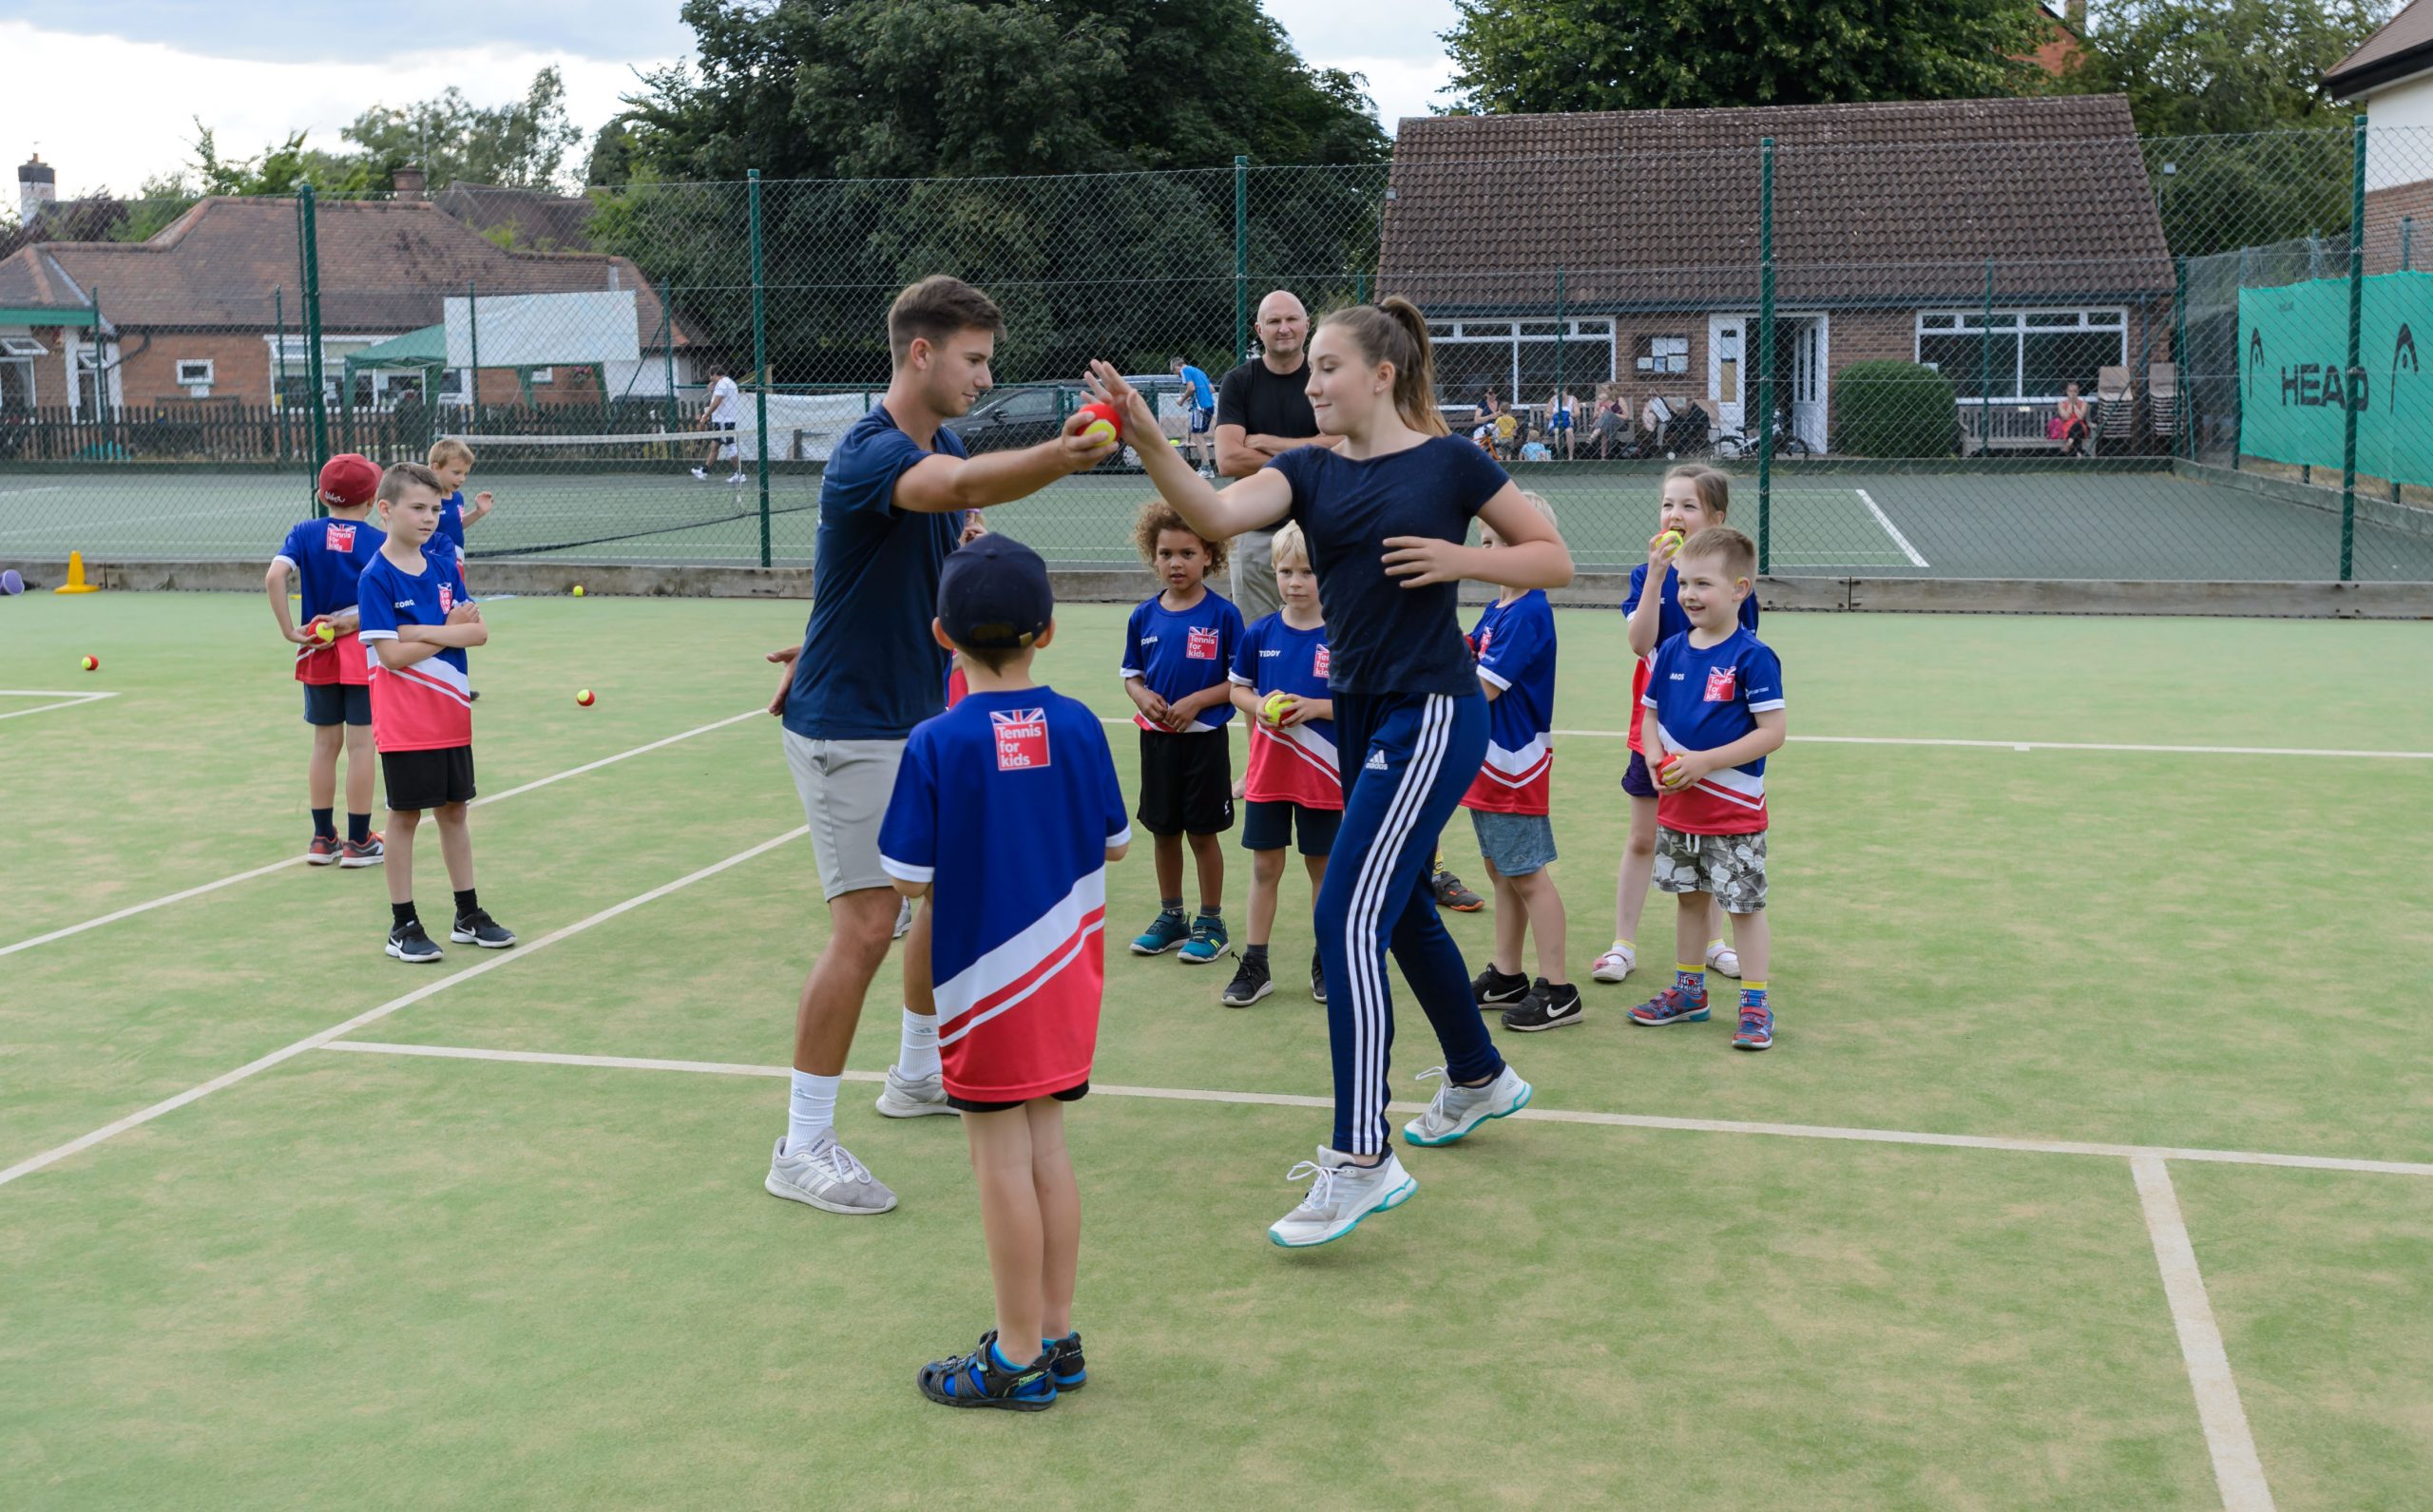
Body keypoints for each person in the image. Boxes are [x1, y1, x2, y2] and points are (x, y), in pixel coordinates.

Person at [1084, 293, 1574, 1250]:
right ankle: (1477, 1075)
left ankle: (1361, 1158)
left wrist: (1456, 557)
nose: (1308, 383)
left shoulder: (1448, 462)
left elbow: (1551, 556)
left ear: (1381, 376)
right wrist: (1147, 437)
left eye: (1326, 368)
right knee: (1398, 910)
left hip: (1433, 710)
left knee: (1347, 911)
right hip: (1359, 713)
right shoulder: (1306, 471)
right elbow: (1216, 508)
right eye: (1305, 368)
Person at [760, 275, 1116, 1218]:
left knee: (940, 900)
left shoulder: (944, 439)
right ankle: (801, 1143)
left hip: (913, 715)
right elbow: (952, 490)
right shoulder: (873, 454)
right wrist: (1060, 454)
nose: (982, 376)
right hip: (849, 726)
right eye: (973, 359)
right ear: (921, 353)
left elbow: (924, 557)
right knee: (869, 925)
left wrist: (825, 633)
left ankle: (917, 1073)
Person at [878, 535, 1130, 1412]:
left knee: (998, 1163)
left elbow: (908, 876)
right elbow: (1114, 841)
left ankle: (1017, 1351)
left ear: (942, 634)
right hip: (1068, 976)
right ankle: (1055, 1333)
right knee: (1048, 1151)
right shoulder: (1079, 724)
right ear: (1048, 632)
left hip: (986, 985)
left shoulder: (936, 741)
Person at [1627, 526, 1785, 1051]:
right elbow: (1649, 715)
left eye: (1703, 584)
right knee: (1689, 901)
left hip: (1734, 813)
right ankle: (1690, 992)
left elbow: (1772, 734)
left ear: (1741, 589)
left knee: (1743, 907)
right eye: (1684, 584)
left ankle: (1756, 1004)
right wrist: (1653, 755)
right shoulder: (1671, 649)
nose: (1689, 595)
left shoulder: (1753, 656)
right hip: (1679, 812)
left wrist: (1703, 763)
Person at [1597, 466, 1753, 988]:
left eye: (1688, 506)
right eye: (1668, 504)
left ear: (1715, 518)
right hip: (1654, 733)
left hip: (1709, 739)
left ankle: (1712, 944)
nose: (1674, 515)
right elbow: (1641, 644)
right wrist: (1658, 575)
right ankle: (1623, 944)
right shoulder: (1651, 576)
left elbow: (1737, 659)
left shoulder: (1732, 587)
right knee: (1643, 838)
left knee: (1709, 842)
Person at [355, 462, 515, 965]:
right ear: (386, 510)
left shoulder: (445, 565)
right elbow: (391, 656)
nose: (429, 518)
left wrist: (425, 629)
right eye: (417, 508)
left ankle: (467, 914)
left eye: (435, 509)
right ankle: (403, 924)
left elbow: (477, 632)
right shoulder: (376, 577)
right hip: (405, 720)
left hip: (450, 715)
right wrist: (444, 629)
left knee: (454, 811)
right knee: (404, 818)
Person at [1460, 492, 1578, 1031]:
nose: (1489, 554)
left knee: (1527, 874)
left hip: (1514, 764)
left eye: (1500, 544)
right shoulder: (1497, 609)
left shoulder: (1529, 612)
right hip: (1485, 762)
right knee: (1501, 872)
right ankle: (1509, 974)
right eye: (1485, 543)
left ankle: (1558, 989)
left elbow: (1481, 688)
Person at [1121, 501, 1244, 967]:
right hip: (1157, 742)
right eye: (1166, 553)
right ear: (1153, 556)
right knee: (1163, 831)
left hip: (1204, 743)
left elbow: (1238, 682)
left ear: (1209, 556)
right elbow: (1131, 674)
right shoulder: (1143, 616)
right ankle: (1172, 917)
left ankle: (1211, 922)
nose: (1176, 562)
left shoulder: (1224, 615)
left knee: (1202, 833)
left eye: (1188, 553)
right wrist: (1140, 696)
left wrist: (1197, 700)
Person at [1221, 520, 1336, 1008]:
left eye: (1307, 571)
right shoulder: (1259, 634)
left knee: (1322, 869)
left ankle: (1327, 961)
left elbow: (1363, 701)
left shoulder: (1344, 635)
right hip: (1270, 774)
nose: (1295, 581)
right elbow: (1236, 690)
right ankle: (1256, 963)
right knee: (1266, 867)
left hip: (1326, 776)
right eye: (1286, 570)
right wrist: (1259, 704)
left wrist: (1314, 708)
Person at [266, 452, 387, 869]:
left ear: (322, 495)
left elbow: (274, 576)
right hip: (361, 653)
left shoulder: (304, 532)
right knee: (360, 747)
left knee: (324, 745)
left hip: (317, 650)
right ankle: (358, 842)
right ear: (373, 501)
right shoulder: (380, 541)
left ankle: (322, 839)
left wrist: (288, 629)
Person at [1214, 290, 1331, 622]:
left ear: (1307, 325)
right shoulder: (1239, 382)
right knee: (1257, 643)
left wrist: (1266, 442)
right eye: (1274, 321)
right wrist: (1312, 452)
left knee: (1325, 645)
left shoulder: (1327, 377)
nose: (1284, 328)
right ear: (1258, 329)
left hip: (1320, 532)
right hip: (1255, 534)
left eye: (1292, 319)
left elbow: (1346, 445)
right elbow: (1229, 459)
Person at [693, 363, 744, 483]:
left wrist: (705, 416)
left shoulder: (722, 384)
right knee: (715, 445)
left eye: (710, 376)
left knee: (730, 445)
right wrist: (712, 390)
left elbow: (716, 402)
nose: (709, 378)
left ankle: (740, 473)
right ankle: (704, 471)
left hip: (723, 421)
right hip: (725, 420)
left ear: (714, 374)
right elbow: (720, 399)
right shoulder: (729, 383)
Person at [1172, 355, 1216, 474]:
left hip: (1199, 408)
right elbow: (1211, 389)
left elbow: (1191, 388)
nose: (1178, 375)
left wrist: (1181, 399)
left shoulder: (1185, 370)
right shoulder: (1199, 371)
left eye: (1176, 372)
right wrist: (1192, 397)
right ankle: (1206, 467)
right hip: (1209, 406)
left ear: (1178, 366)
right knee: (1198, 434)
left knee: (1197, 435)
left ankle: (1207, 467)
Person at [2055, 380, 2091, 458]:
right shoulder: (2061, 404)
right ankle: (2078, 452)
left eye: (2075, 391)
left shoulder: (2084, 403)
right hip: (2068, 427)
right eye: (2070, 391)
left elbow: (2080, 417)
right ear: (2067, 392)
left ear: (2078, 392)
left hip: (2081, 426)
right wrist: (2070, 403)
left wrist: (2075, 405)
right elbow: (2066, 417)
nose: (2073, 393)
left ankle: (2069, 442)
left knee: (2078, 424)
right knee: (2076, 428)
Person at [1547, 390, 1577, 460]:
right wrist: (1555, 415)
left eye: (1559, 393)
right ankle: (1561, 456)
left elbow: (1578, 413)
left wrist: (1569, 414)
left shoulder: (1573, 399)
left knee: (1569, 431)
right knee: (1557, 430)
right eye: (1556, 393)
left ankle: (1570, 456)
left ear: (1565, 391)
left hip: (1568, 423)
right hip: (1554, 424)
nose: (1558, 395)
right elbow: (1546, 415)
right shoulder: (1553, 399)